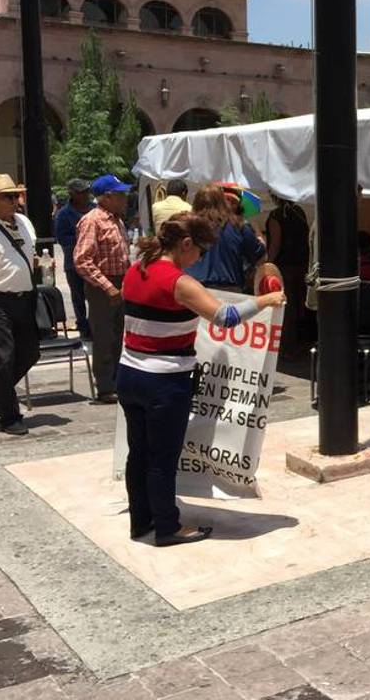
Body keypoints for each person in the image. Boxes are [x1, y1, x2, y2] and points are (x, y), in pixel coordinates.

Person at [119, 212, 284, 546]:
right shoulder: (179, 282)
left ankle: (142, 520)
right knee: (163, 459)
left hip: (129, 373)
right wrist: (266, 299)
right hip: (164, 381)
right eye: (201, 252)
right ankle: (167, 526)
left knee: (138, 453)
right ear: (186, 244)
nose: (201, 259)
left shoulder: (137, 268)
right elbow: (225, 317)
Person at [0, 174, 40, 435]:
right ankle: (9, 415)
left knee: (30, 352)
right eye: (9, 196)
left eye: (17, 195)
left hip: (24, 297)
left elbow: (30, 252)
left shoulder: (24, 222)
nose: (16, 201)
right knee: (3, 357)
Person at [74, 174, 133, 404]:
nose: (125, 198)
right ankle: (106, 386)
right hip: (102, 286)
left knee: (119, 335)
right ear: (107, 197)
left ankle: (119, 381)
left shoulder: (117, 219)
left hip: (121, 281)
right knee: (104, 336)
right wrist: (108, 287)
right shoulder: (93, 220)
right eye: (120, 194)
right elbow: (82, 260)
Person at [187, 184, 266, 291]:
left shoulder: (186, 225)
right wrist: (260, 237)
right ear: (222, 203)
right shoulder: (239, 225)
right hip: (227, 289)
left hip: (190, 287)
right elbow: (258, 256)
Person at [265, 196, 310, 359]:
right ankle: (299, 344)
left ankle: (287, 348)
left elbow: (275, 244)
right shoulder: (299, 212)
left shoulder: (276, 216)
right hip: (301, 265)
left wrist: (267, 264)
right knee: (299, 306)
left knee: (286, 309)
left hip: (284, 267)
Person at [53, 178, 93, 339]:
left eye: (86, 191)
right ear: (72, 194)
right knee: (78, 298)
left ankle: (96, 325)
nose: (85, 195)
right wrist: (85, 240)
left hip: (95, 263)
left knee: (95, 297)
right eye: (81, 192)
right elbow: (62, 239)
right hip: (74, 264)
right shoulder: (63, 214)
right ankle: (83, 327)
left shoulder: (95, 209)